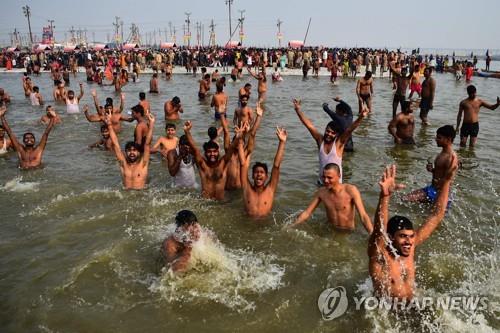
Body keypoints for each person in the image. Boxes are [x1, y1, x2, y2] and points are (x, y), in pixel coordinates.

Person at [368, 161, 457, 299]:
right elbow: (379, 230)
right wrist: (385, 197)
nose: (408, 241)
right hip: (389, 311)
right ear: (391, 237)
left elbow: (436, 216)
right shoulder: (380, 254)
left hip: (413, 305)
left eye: (410, 236)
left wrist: (446, 181)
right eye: (402, 236)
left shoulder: (410, 246)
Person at [293, 98, 368, 184]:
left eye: (332, 133)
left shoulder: (338, 143)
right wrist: (298, 110)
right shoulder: (320, 140)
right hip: (321, 183)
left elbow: (349, 130)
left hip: (336, 185)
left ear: (337, 134)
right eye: (327, 131)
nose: (329, 134)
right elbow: (309, 125)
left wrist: (361, 117)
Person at [287, 163, 373, 233]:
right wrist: (292, 226)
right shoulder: (321, 192)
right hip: (331, 230)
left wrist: (372, 234)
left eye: (329, 178)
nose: (326, 181)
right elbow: (307, 213)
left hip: (348, 231)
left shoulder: (351, 190)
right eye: (324, 177)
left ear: (339, 176)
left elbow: (363, 216)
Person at [183, 119, 242, 200]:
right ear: (205, 153)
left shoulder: (223, 163)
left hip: (221, 204)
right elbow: (195, 149)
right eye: (209, 152)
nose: (212, 154)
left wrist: (238, 137)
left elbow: (231, 148)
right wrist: (187, 132)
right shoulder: (203, 165)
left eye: (214, 151)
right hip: (205, 204)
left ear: (218, 152)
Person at [238, 126, 286, 218]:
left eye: (261, 172)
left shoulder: (270, 189)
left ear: (266, 176)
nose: (259, 174)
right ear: (252, 175)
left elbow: (276, 166)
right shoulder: (247, 189)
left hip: (265, 227)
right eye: (256, 172)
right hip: (248, 225)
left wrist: (282, 143)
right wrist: (240, 141)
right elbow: (243, 165)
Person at [403, 125, 457, 203]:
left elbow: (449, 180)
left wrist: (440, 196)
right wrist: (433, 170)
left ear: (448, 139)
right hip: (433, 188)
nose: (436, 139)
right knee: (405, 199)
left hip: (439, 193)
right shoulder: (443, 153)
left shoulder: (451, 158)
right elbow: (442, 173)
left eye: (439, 138)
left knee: (405, 199)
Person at [105, 111, 155, 190]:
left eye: (134, 150)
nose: (132, 152)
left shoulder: (143, 164)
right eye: (129, 150)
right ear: (126, 152)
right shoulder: (123, 164)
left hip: (141, 195)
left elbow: (147, 144)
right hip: (126, 195)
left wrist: (151, 124)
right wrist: (109, 125)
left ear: (138, 152)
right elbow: (115, 144)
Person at [0, 105, 56, 169]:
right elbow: (9, 132)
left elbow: (46, 133)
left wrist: (52, 118)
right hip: (23, 174)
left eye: (31, 138)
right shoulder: (20, 150)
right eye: (26, 138)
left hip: (37, 173)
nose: (29, 139)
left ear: (34, 141)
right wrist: (2, 116)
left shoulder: (39, 149)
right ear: (23, 141)